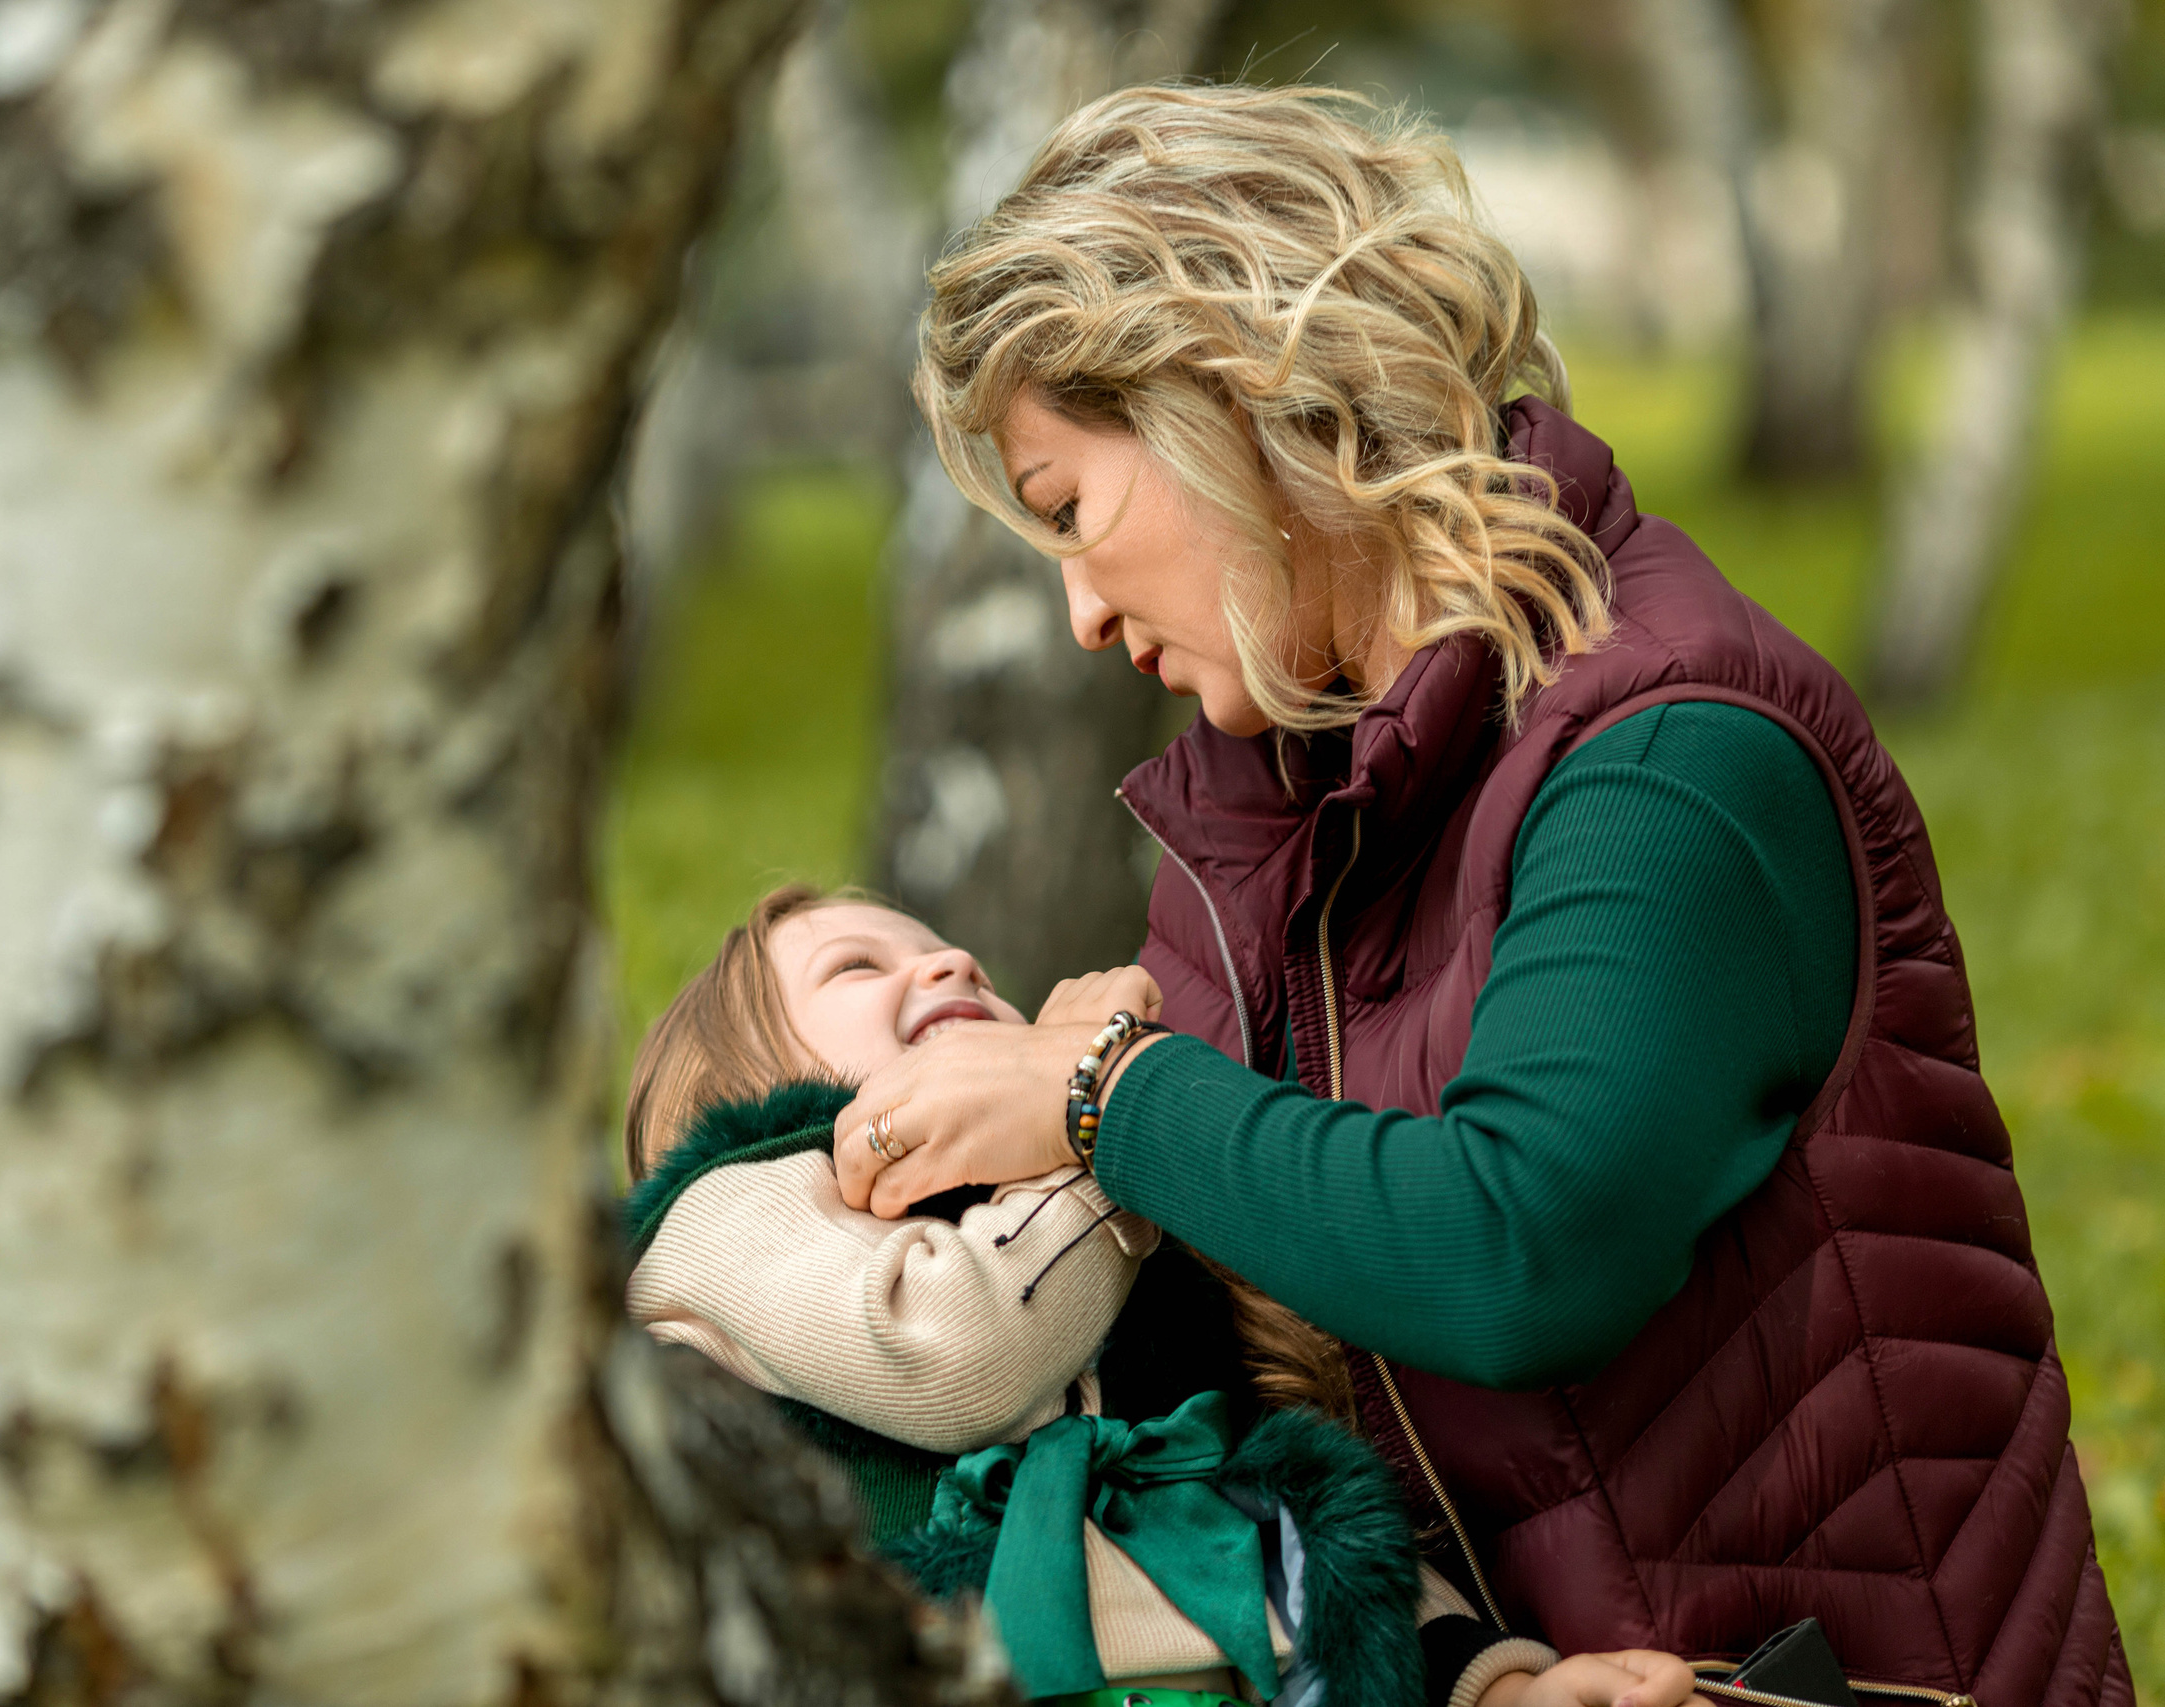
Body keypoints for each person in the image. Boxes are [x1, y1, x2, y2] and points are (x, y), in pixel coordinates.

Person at [830, 83, 2133, 1707]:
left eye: (1071, 513)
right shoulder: (1283, 819)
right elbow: (1258, 1378)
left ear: (1240, 404)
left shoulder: (1669, 754)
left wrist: (1110, 1099)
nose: (1082, 612)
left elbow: (1521, 1248)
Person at [623, 884, 1710, 1707]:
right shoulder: (733, 1214)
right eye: (857, 966)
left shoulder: (1092, 1256)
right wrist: (1093, 1112)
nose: (950, 958)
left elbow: (1279, 1511)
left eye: (948, 950)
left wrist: (1495, 1687)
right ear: (739, 1074)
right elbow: (954, 1353)